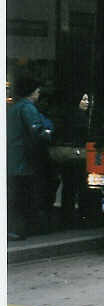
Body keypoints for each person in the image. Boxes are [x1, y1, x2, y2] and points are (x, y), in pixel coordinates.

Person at [7, 76, 54, 240]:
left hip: (12, 159)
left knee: (14, 196)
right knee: (25, 196)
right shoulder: (28, 108)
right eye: (38, 91)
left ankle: (13, 228)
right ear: (32, 92)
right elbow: (38, 132)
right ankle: (21, 230)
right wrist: (48, 133)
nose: (39, 94)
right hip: (24, 161)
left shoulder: (13, 107)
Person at [59, 93, 90, 228]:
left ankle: (66, 217)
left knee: (69, 188)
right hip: (79, 156)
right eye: (83, 99)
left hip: (68, 157)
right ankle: (81, 217)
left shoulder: (67, 116)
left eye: (88, 99)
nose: (87, 102)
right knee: (81, 187)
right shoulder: (82, 117)